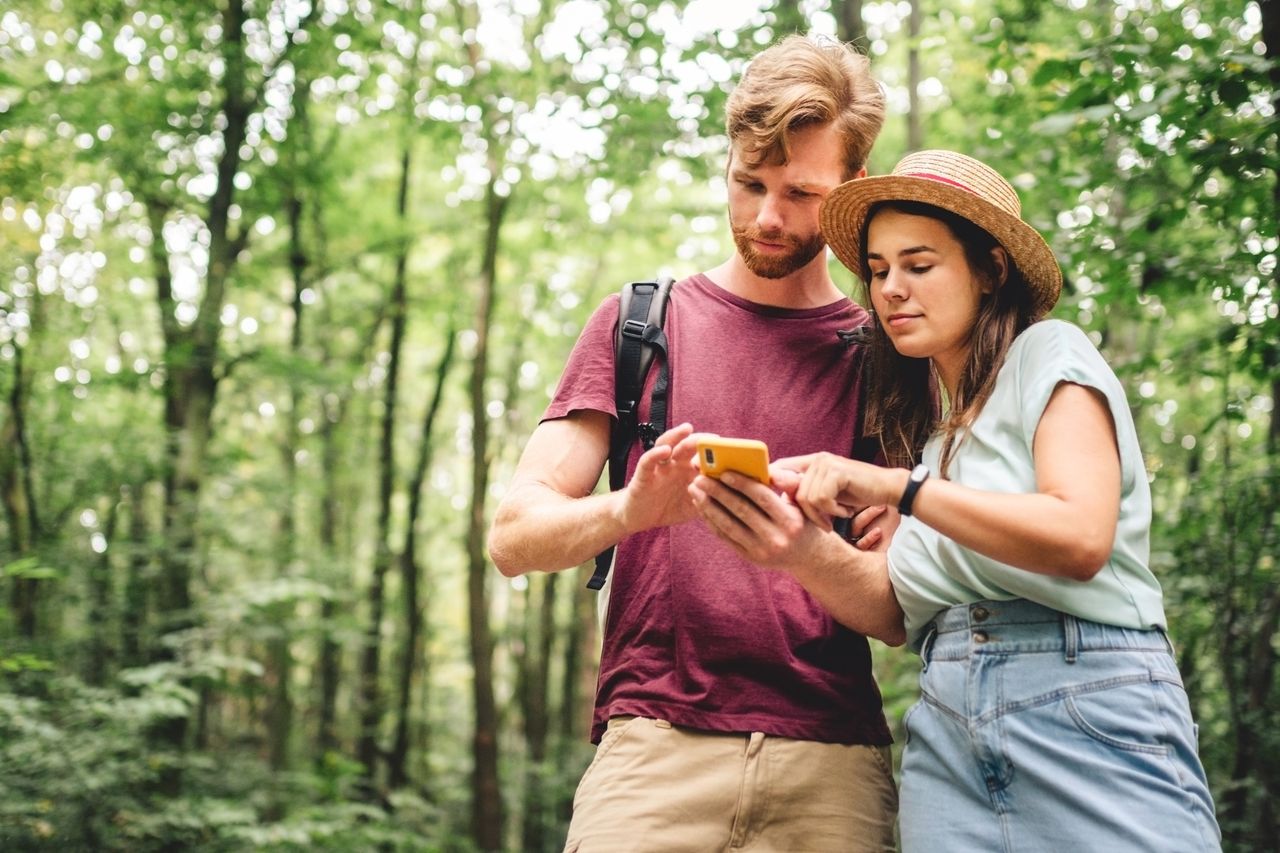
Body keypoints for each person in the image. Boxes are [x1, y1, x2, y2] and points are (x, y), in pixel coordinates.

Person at [690, 149, 1221, 851]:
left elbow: (1081, 536)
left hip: (1089, 700)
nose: (891, 290)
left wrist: (903, 491)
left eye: (919, 264)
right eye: (878, 271)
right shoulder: (934, 448)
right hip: (948, 729)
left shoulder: (1049, 355)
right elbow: (889, 613)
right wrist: (795, 545)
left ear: (991, 268)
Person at [488, 35, 900, 852]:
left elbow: (894, 610)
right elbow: (511, 536)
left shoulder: (885, 358)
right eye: (749, 183)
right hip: (651, 751)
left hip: (834, 760)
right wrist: (631, 507)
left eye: (799, 192)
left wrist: (802, 552)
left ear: (854, 188)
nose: (768, 216)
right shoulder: (639, 324)